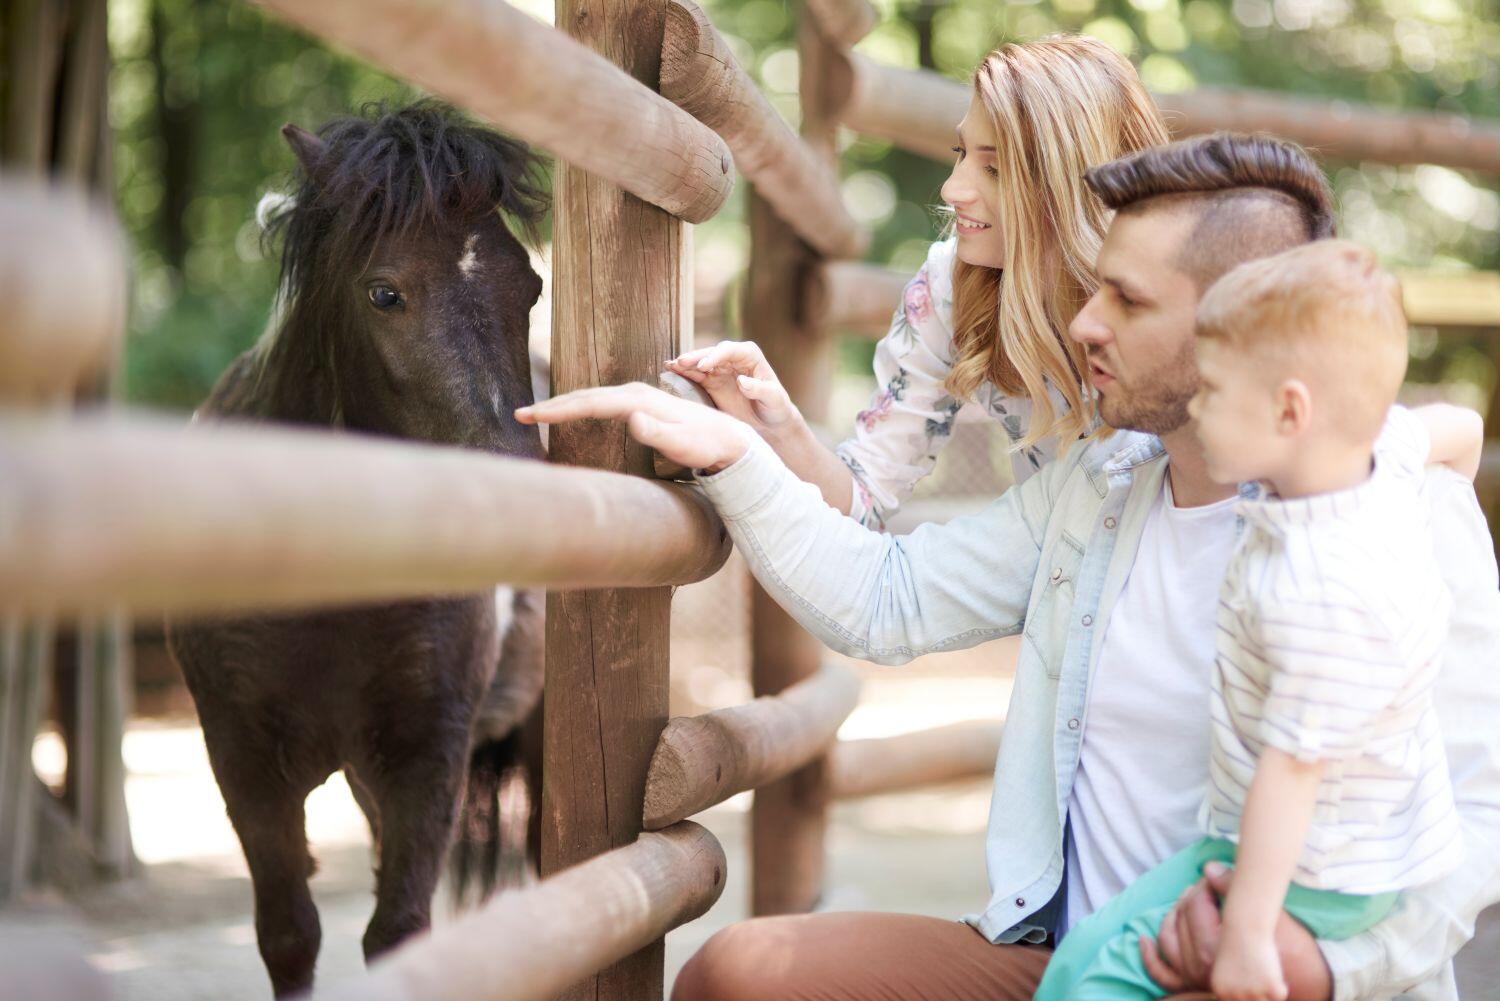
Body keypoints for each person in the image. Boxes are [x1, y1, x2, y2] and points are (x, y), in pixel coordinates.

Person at [516, 133, 1500, 1001]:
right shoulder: (1102, 484)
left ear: (1236, 324)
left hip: (1271, 973)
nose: (1086, 324)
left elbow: (1477, 819)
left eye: (1128, 299)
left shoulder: (1395, 523)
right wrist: (735, 455)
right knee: (742, 972)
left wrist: (1316, 964)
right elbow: (887, 599)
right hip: (1079, 959)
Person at [1033, 240, 1481, 1001]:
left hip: (1320, 873)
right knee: (1078, 957)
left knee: (1096, 980)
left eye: (1212, 391)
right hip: (1291, 845)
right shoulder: (1380, 461)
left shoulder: (1324, 590)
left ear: (1289, 410)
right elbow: (1462, 427)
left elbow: (1293, 774)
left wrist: (1245, 937)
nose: (1195, 408)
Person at [667, 34, 1169, 529]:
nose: (952, 188)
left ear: (1072, 183)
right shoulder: (949, 288)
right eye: (960, 152)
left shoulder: (1178, 293)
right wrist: (778, 426)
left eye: (995, 169)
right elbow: (861, 498)